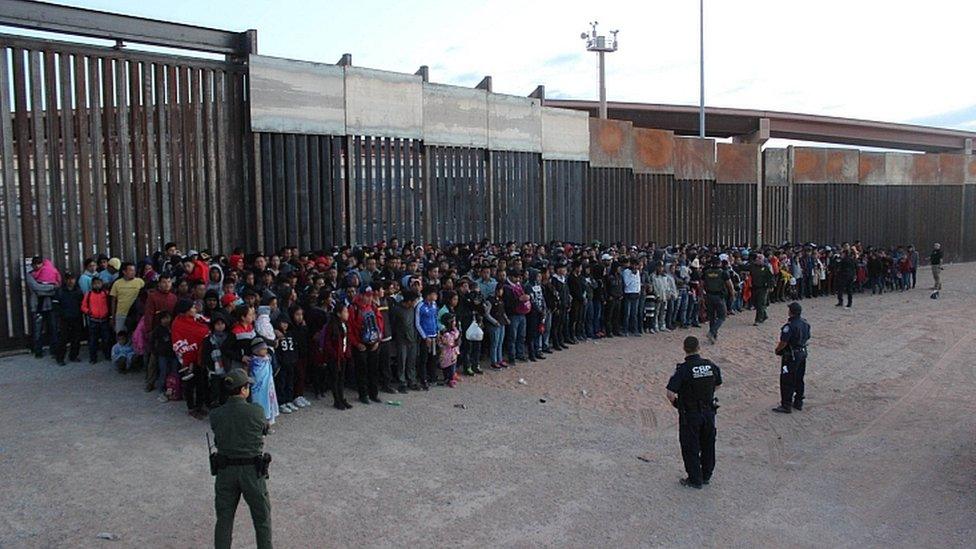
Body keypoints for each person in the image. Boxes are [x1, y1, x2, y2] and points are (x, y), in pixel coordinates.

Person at [209, 368, 272, 549]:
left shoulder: (216, 414)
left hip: (225, 471)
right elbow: (264, 429)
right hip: (252, 471)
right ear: (244, 390)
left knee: (224, 520)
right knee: (262, 519)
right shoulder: (256, 412)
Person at [666, 336, 722, 489]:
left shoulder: (683, 369)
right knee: (708, 444)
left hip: (691, 413)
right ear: (698, 348)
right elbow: (718, 384)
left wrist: (678, 404)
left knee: (690, 446)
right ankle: (706, 475)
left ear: (685, 349)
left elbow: (670, 392)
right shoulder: (710, 365)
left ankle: (695, 479)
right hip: (709, 411)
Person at [772, 302, 811, 414]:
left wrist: (778, 350)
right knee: (799, 377)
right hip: (802, 352)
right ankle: (798, 401)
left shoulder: (789, 326)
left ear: (791, 312)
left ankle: (786, 404)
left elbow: (784, 342)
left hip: (791, 355)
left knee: (787, 379)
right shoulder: (805, 323)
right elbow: (808, 336)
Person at [53, 272, 84, 365]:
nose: (71, 281)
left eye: (72, 279)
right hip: (64, 319)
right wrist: (61, 314)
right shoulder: (60, 291)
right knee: (63, 339)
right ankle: (60, 358)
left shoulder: (78, 291)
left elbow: (82, 304)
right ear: (65, 280)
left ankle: (73, 356)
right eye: (69, 279)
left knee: (76, 338)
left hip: (76, 318)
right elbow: (55, 305)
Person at [701, 257, 733, 344]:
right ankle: (712, 332)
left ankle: (713, 337)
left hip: (708, 295)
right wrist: (732, 295)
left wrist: (702, 296)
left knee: (711, 317)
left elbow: (702, 284)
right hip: (719, 296)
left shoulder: (706, 272)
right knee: (722, 316)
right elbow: (729, 286)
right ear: (719, 263)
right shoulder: (723, 272)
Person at [81, 276, 112, 364]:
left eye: (99, 283)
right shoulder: (89, 294)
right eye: (95, 284)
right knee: (93, 341)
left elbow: (109, 305)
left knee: (106, 339)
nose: (97, 285)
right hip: (93, 320)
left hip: (104, 320)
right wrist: (89, 312)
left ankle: (107, 355)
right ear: (92, 285)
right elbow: (83, 306)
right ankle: (93, 358)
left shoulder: (105, 294)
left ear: (102, 284)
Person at [749, 254, 773, 326]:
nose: (758, 260)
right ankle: (764, 315)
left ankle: (758, 320)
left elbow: (770, 278)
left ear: (763, 260)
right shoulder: (752, 266)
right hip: (754, 287)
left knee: (760, 303)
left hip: (762, 288)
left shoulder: (766, 268)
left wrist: (770, 286)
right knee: (755, 303)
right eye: (757, 258)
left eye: (760, 259)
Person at [438, 313, 461, 387]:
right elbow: (448, 342)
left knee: (452, 366)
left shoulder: (453, 331)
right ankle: (448, 378)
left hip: (453, 353)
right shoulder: (446, 333)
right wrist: (455, 343)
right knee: (446, 366)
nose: (455, 323)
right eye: (453, 321)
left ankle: (451, 378)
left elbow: (457, 335)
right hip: (446, 352)